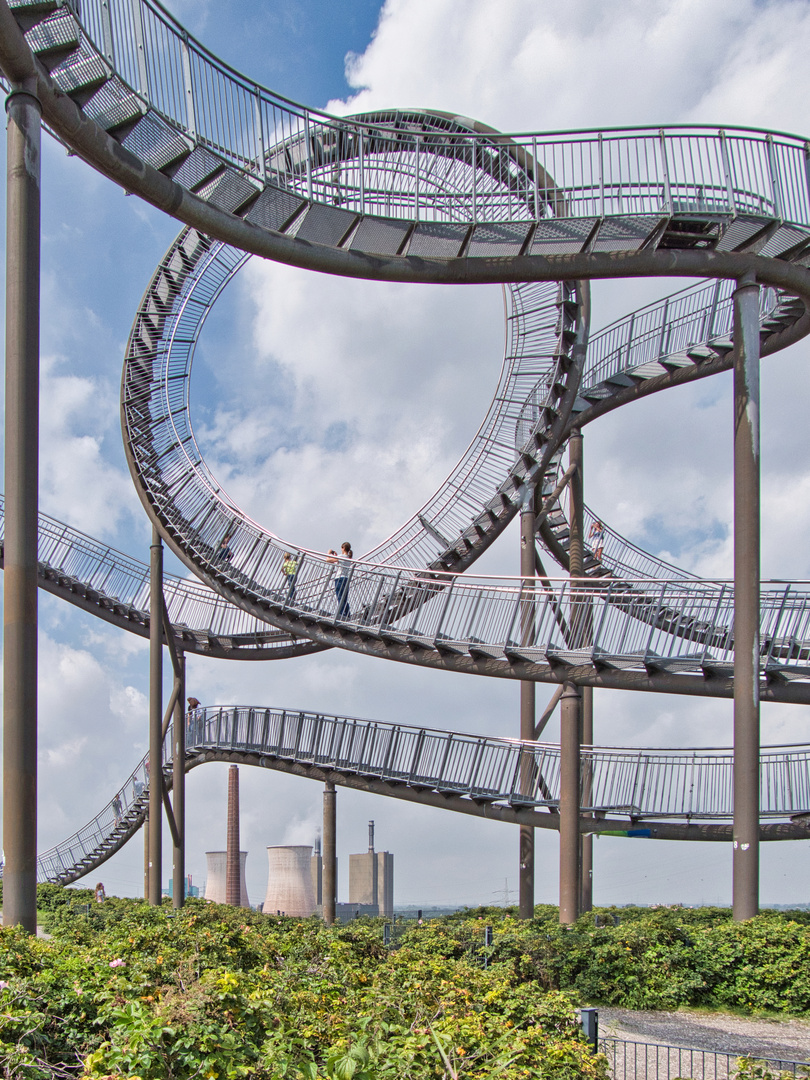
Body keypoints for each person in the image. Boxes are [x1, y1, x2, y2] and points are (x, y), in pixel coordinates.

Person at [327, 542, 353, 618]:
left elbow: (327, 560)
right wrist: (336, 556)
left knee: (340, 597)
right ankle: (347, 615)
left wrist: (328, 553)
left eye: (341, 548)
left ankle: (341, 614)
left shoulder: (341, 556)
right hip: (346, 579)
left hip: (339, 579)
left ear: (343, 548)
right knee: (344, 598)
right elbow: (340, 562)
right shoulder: (349, 558)